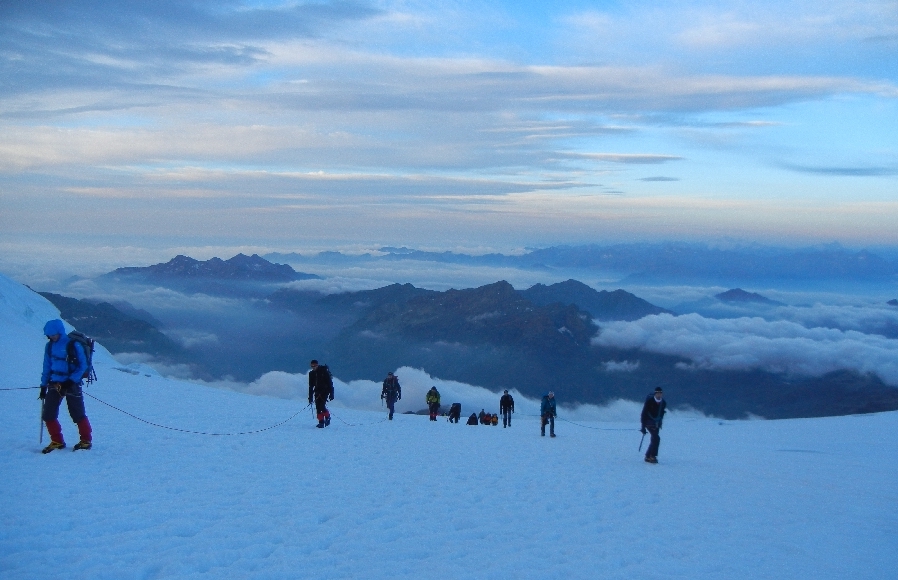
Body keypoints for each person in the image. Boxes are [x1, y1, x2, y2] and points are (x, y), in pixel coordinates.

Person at [39, 319, 92, 453]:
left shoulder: (73, 345)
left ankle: (86, 441)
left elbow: (83, 366)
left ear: (59, 332)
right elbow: (47, 366)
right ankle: (57, 441)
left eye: (53, 334)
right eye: (49, 335)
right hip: (55, 382)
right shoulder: (49, 346)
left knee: (77, 414)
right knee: (48, 414)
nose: (52, 337)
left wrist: (71, 380)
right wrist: (43, 385)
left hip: (71, 384)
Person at [641, 387, 667, 463]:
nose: (659, 395)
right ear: (655, 393)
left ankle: (648, 456)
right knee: (656, 438)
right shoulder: (649, 401)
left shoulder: (663, 402)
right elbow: (643, 413)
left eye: (660, 393)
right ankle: (652, 456)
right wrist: (643, 427)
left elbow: (661, 414)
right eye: (658, 393)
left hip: (656, 424)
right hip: (648, 423)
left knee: (654, 439)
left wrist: (660, 423)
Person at [308, 360, 334, 428]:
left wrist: (331, 394)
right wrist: (310, 397)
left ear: (317, 365)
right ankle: (321, 422)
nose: (313, 367)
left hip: (325, 391)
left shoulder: (323, 372)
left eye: (314, 366)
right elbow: (311, 386)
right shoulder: (311, 374)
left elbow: (329, 383)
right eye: (312, 366)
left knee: (322, 406)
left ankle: (328, 417)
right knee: (318, 408)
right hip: (317, 392)